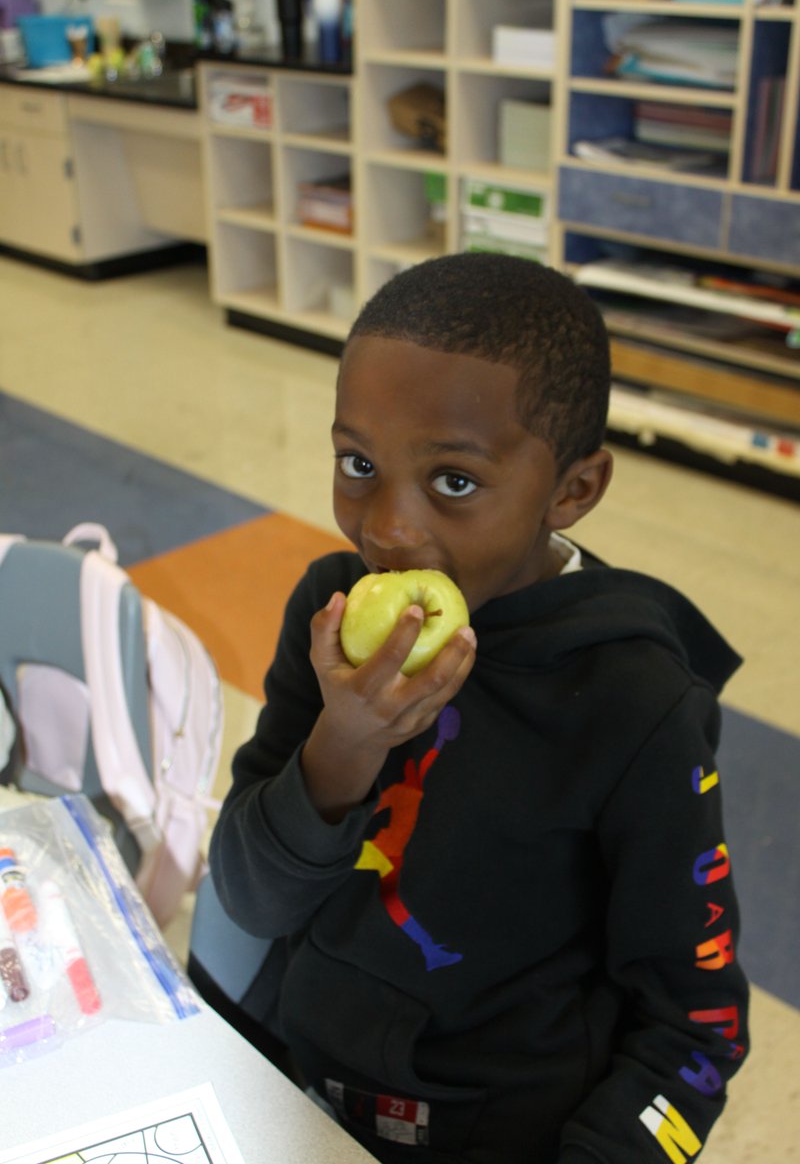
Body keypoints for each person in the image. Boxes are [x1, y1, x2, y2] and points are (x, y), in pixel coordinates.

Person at [209, 253, 749, 1164]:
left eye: (453, 481)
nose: (389, 527)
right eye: (358, 463)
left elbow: (694, 1029)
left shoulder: (638, 700)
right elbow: (251, 897)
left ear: (572, 490)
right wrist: (340, 746)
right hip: (304, 1093)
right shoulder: (332, 612)